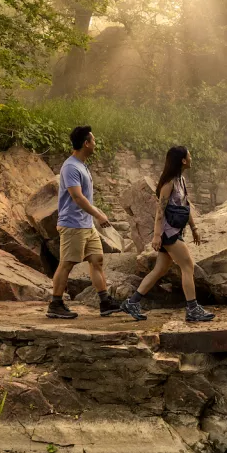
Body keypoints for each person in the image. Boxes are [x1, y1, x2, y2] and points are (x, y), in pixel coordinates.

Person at [45, 126, 135, 321]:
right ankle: (55, 304)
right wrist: (98, 215)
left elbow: (84, 196)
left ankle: (105, 302)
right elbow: (77, 197)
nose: (95, 143)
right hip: (72, 224)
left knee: (97, 260)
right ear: (86, 143)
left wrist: (97, 213)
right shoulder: (70, 167)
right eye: (93, 140)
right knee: (67, 264)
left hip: (86, 224)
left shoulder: (82, 165)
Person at [120, 145, 213, 323]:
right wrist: (157, 236)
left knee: (160, 269)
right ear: (183, 160)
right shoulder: (169, 183)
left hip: (176, 231)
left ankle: (132, 302)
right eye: (189, 156)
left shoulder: (181, 181)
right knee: (188, 266)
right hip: (168, 233)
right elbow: (159, 212)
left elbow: (185, 207)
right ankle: (193, 309)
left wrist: (194, 228)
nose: (192, 158)